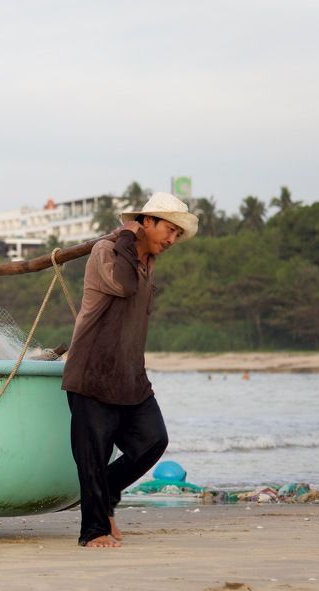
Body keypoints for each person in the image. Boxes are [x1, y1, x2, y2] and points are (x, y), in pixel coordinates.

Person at [62, 192, 198, 548]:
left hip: (130, 375)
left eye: (177, 234)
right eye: (169, 229)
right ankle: (94, 530)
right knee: (92, 457)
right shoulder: (106, 251)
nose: (172, 240)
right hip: (92, 371)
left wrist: (133, 244)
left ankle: (104, 495)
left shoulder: (147, 261)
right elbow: (123, 285)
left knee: (153, 440)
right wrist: (125, 236)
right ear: (146, 222)